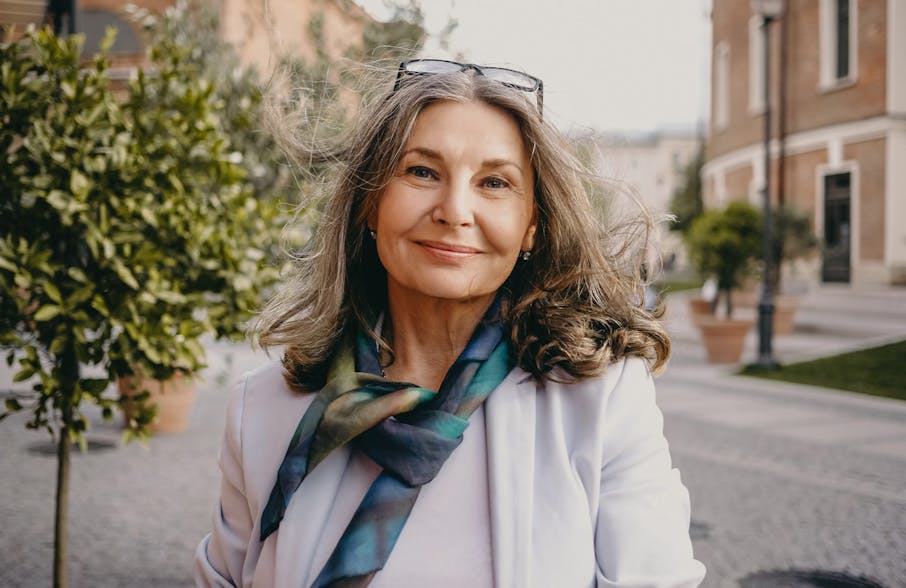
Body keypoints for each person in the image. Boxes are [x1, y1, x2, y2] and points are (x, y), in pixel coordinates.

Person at [195, 58, 706, 587]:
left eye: (494, 182)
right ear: (370, 202)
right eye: (421, 172)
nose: (454, 210)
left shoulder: (601, 400)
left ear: (532, 225)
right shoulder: (261, 409)